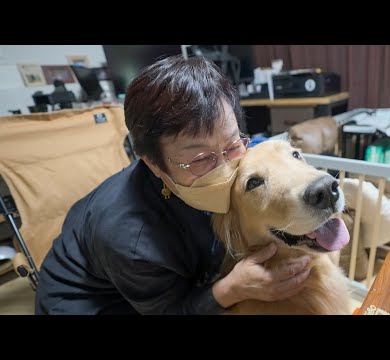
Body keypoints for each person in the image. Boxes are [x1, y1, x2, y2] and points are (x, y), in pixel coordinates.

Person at [35, 55, 311, 315]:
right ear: (154, 164)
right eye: (201, 159)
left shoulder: (206, 167)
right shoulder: (132, 239)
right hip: (96, 303)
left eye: (233, 145)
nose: (224, 167)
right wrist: (229, 289)